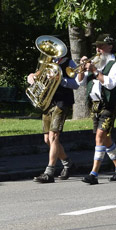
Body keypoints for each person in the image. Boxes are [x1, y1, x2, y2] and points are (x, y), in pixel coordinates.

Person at [77, 34, 116, 184]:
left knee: (99, 137)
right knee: (105, 138)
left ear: (110, 46)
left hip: (109, 105)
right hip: (95, 105)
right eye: (96, 46)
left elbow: (111, 84)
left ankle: (94, 173)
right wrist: (82, 68)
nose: (98, 49)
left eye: (101, 46)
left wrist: (94, 70)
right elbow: (80, 83)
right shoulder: (96, 62)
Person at [31, 39, 79, 183]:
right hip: (48, 101)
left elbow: (75, 84)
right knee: (47, 139)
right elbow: (37, 75)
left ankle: (49, 172)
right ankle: (68, 164)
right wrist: (32, 77)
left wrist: (60, 79)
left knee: (54, 137)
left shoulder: (69, 63)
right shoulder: (47, 63)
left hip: (61, 102)